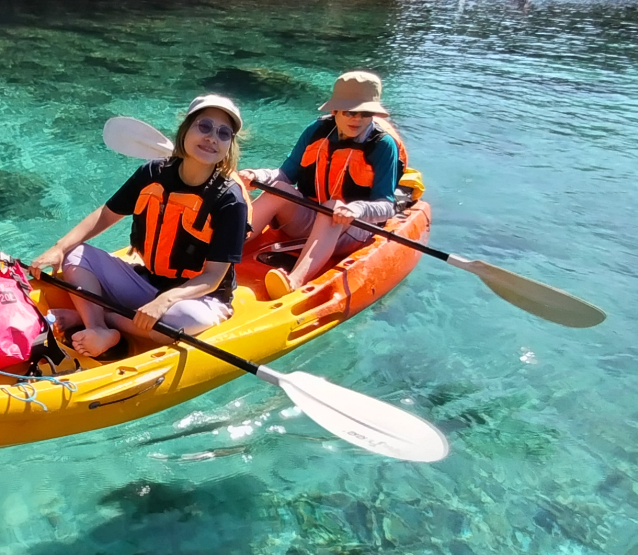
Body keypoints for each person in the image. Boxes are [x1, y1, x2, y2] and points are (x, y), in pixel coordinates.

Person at [29, 95, 249, 358]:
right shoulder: (153, 173)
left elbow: (213, 277)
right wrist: (59, 248)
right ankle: (98, 328)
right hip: (147, 282)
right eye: (204, 126)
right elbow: (105, 215)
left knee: (180, 320)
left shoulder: (230, 200)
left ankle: (101, 317)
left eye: (224, 133)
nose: (212, 137)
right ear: (186, 129)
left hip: (199, 300)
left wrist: (164, 301)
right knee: (76, 253)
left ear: (229, 146)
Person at [240, 70, 405, 300]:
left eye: (365, 113)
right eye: (350, 111)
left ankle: (294, 280)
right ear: (335, 110)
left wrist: (356, 209)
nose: (356, 119)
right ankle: (224, 248)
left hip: (350, 229)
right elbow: (285, 174)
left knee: (332, 206)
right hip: (310, 219)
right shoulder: (316, 131)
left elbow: (387, 206)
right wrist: (257, 175)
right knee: (278, 189)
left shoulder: (382, 145)